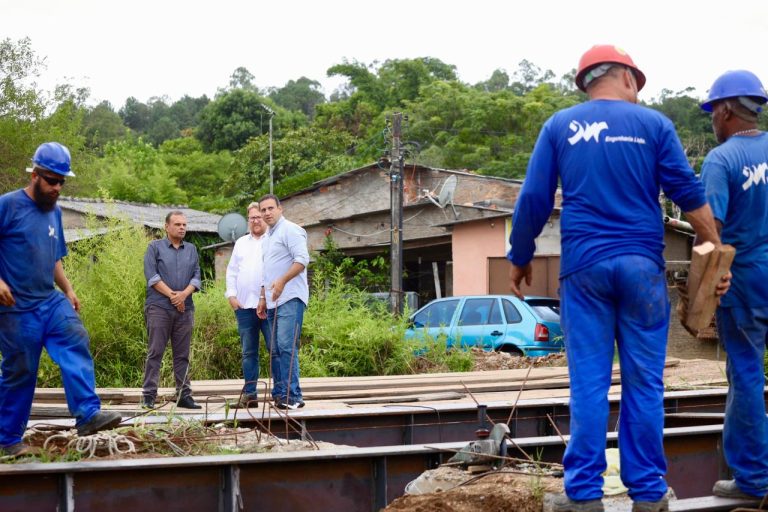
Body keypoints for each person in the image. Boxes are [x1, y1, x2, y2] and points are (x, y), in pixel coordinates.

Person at [507, 45, 728, 512]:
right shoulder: (654, 125)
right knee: (644, 383)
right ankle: (648, 492)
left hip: (585, 269)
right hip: (642, 270)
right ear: (628, 77)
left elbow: (533, 198)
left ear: (586, 82)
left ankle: (584, 495)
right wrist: (716, 253)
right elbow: (688, 193)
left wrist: (520, 256)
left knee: (588, 383)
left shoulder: (560, 125)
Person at [0, 142, 122, 456]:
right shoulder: (8, 206)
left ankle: (87, 414)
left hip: (48, 299)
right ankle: (8, 440)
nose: (57, 188)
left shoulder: (54, 212)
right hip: (15, 307)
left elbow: (54, 257)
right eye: (52, 181)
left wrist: (68, 289)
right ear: (35, 175)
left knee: (74, 336)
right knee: (21, 370)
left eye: (61, 182)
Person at [698, 70, 768, 501]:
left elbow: (711, 234)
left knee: (745, 376)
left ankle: (754, 480)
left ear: (725, 110)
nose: (712, 119)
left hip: (745, 284)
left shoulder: (721, 160)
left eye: (712, 111)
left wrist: (702, 291)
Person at [141, 211, 202, 409]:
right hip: (159, 307)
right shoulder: (154, 247)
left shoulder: (191, 249)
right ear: (166, 227)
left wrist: (183, 295)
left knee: (182, 354)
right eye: (177, 224)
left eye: (184, 224)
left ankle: (183, 395)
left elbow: (196, 277)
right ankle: (149, 396)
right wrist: (174, 296)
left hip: (185, 309)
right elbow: (152, 277)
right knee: (155, 352)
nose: (182, 227)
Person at [256, 194, 309, 410]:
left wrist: (283, 281)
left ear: (280, 208)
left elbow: (302, 260)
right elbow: (267, 271)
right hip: (272, 301)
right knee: (276, 349)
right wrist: (262, 297)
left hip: (290, 297)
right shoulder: (267, 237)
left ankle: (293, 396)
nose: (267, 213)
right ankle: (280, 394)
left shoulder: (291, 230)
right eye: (263, 210)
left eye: (271, 208)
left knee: (287, 346)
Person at [225, 202, 270, 408]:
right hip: (244, 307)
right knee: (248, 352)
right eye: (252, 218)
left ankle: (281, 394)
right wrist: (231, 296)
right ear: (248, 220)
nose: (255, 220)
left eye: (259, 216)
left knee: (275, 350)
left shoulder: (273, 240)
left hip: (270, 306)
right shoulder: (241, 243)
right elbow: (232, 271)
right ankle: (250, 395)